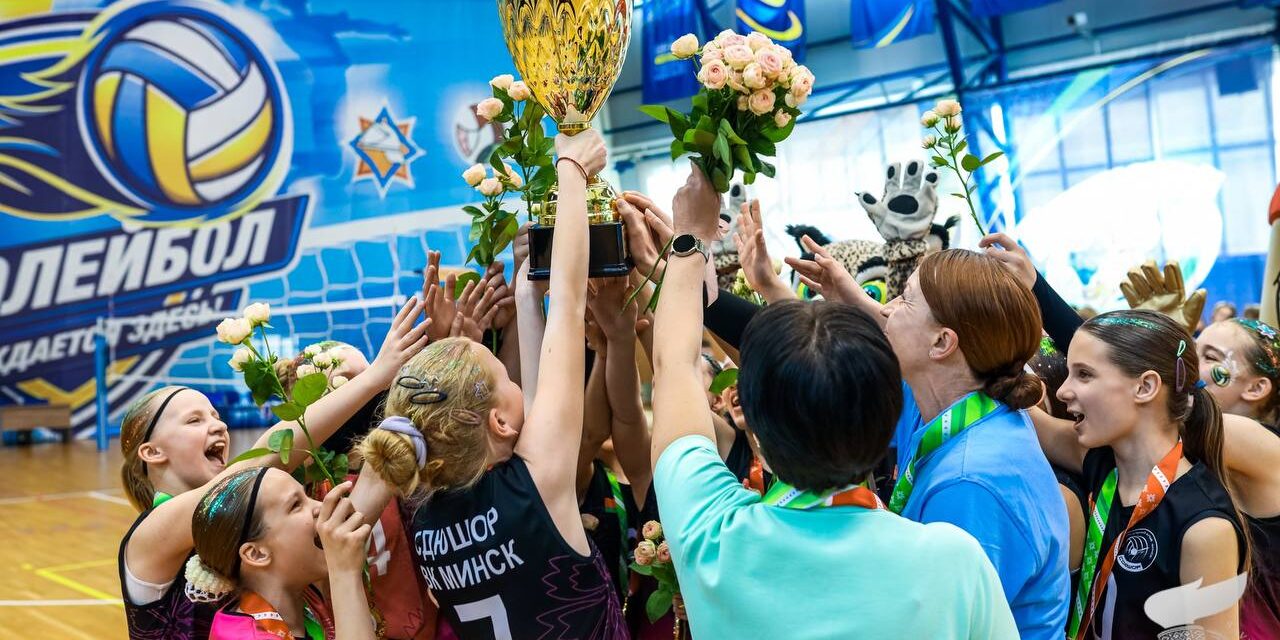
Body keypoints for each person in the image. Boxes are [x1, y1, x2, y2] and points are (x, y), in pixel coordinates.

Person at [648, 163, 1017, 639]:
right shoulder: (954, 563)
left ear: (753, 428)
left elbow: (674, 367)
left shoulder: (712, 534)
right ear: (889, 418)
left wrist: (690, 239)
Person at [359, 130, 627, 639]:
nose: (517, 380)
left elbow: (555, 319)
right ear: (499, 422)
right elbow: (569, 303)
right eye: (505, 377)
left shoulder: (425, 519)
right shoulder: (536, 484)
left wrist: (527, 293)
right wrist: (570, 170)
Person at [981, 233, 1280, 639]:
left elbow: (1154, 394)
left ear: (1258, 387)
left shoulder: (1252, 452)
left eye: (1208, 356)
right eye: (1192, 345)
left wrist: (1144, 346)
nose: (1191, 365)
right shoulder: (1113, 461)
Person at [788, 237, 1070, 640]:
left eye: (904, 299)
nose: (887, 309)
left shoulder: (970, 483)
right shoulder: (960, 406)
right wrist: (845, 297)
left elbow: (941, 628)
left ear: (942, 343)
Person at [117, 300, 430, 639]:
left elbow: (337, 533)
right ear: (151, 452)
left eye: (216, 416)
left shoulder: (248, 513)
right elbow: (262, 458)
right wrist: (374, 378)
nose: (219, 426)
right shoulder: (146, 538)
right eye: (194, 420)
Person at [1027, 310, 1248, 639]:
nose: (1063, 391)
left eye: (1084, 375)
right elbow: (1032, 419)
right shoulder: (1101, 463)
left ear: (1145, 386)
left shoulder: (1204, 528)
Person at [187, 471, 377, 640]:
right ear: (256, 554)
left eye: (307, 495)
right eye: (296, 505)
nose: (320, 506)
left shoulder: (306, 597)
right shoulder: (241, 636)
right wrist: (345, 572)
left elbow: (374, 484)